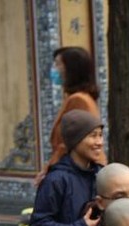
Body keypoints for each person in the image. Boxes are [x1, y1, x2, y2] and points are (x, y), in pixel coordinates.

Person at [36, 46, 105, 185]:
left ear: (71, 69)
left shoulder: (78, 100)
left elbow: (72, 142)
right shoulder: (76, 98)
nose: (54, 69)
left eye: (58, 64)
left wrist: (50, 170)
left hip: (77, 173)